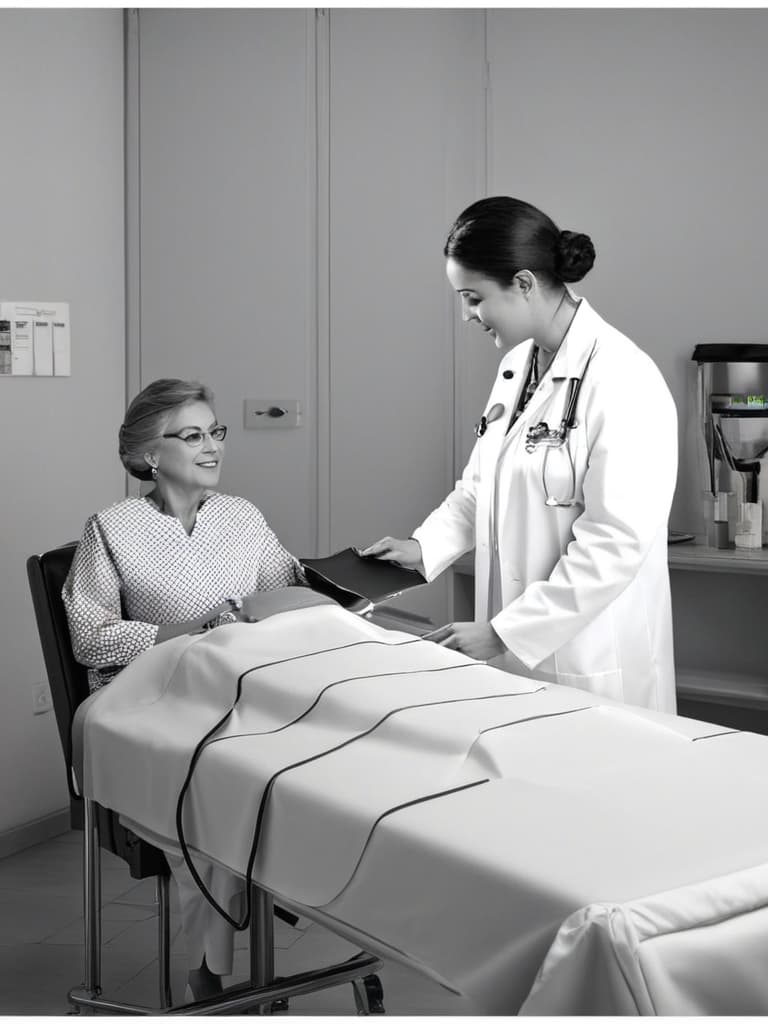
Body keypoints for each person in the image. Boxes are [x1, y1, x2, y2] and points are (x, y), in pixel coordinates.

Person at [362, 196, 678, 714]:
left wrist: (508, 631)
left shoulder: (623, 378)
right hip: (518, 653)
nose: (467, 315)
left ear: (525, 283)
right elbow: (481, 485)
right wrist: (423, 547)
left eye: (473, 297)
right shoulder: (517, 367)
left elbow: (617, 541)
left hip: (590, 657)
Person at [63, 377, 306, 1001]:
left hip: (235, 692)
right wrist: (191, 628)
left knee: (287, 764)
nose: (212, 446)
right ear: (149, 453)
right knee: (214, 781)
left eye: (215, 432)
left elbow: (288, 592)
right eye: (192, 435)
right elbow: (90, 639)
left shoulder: (242, 517)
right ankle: (210, 968)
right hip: (144, 699)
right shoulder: (112, 528)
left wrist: (332, 586)